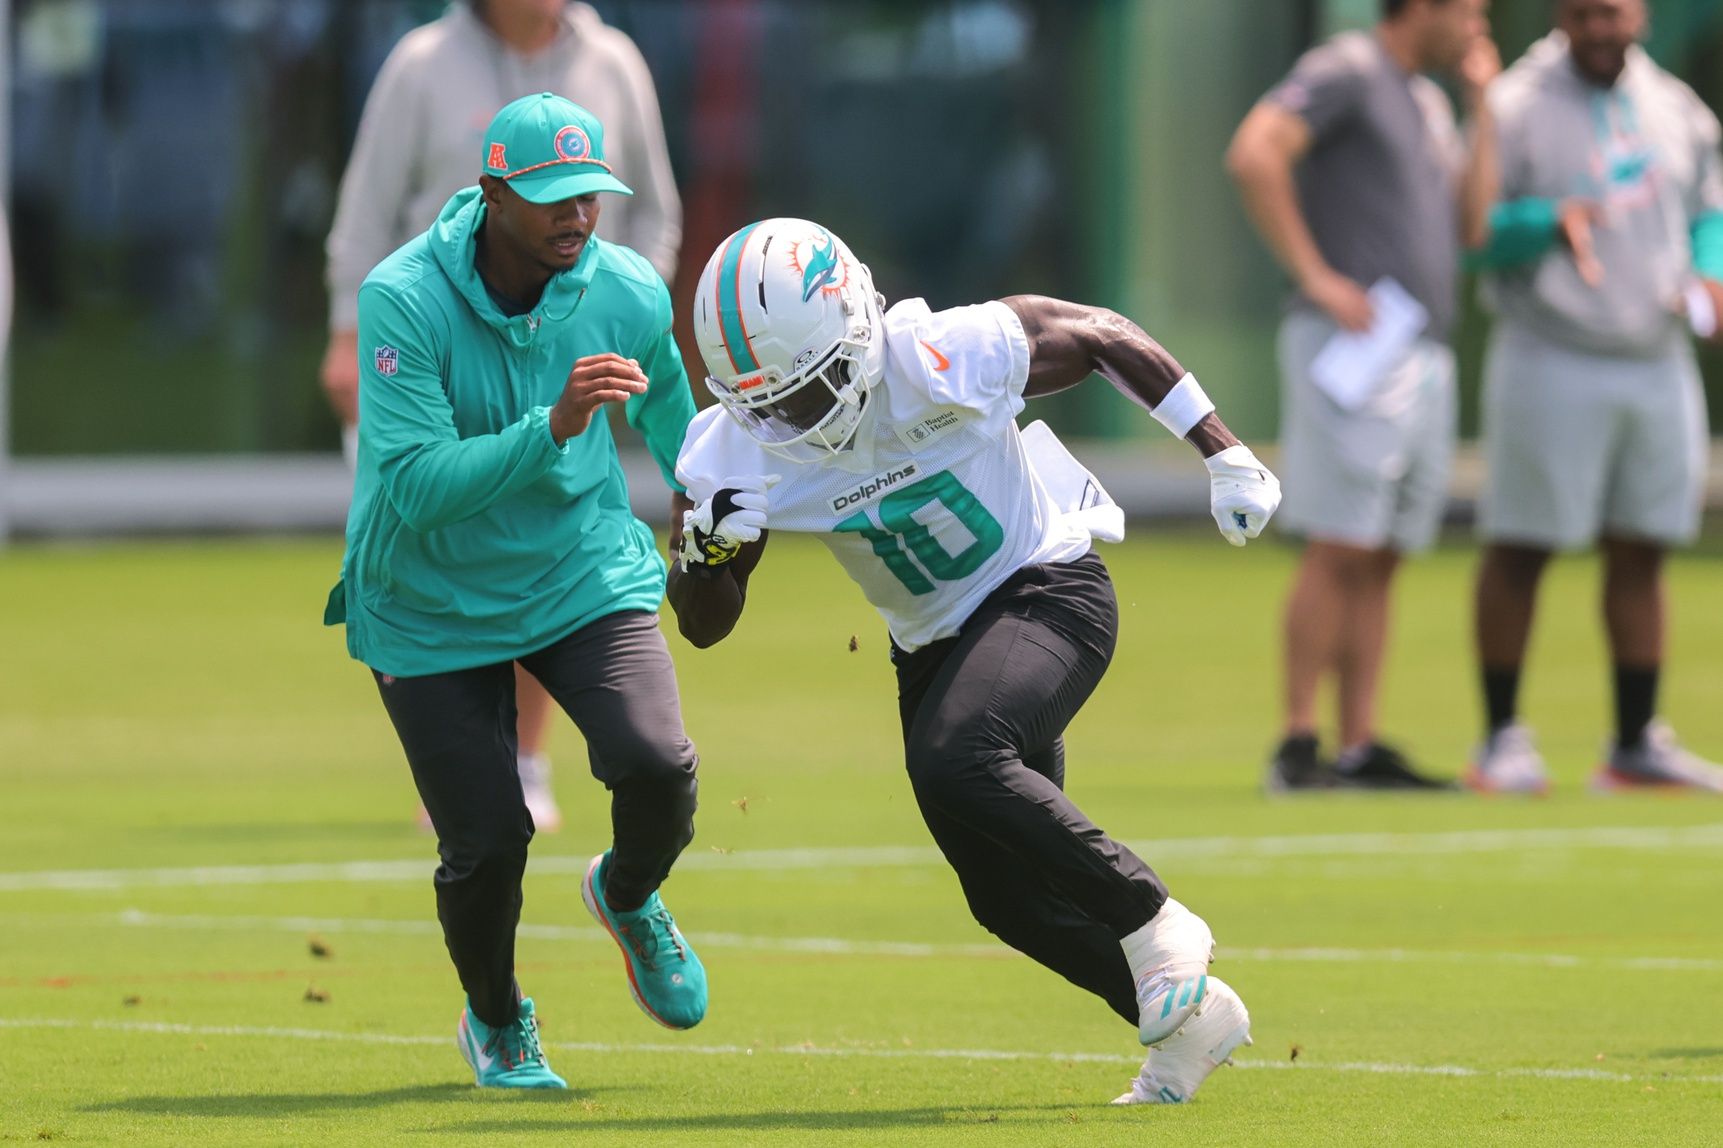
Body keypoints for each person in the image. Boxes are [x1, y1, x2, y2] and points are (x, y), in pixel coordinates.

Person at [668, 218, 1281, 1106]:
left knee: (955, 758)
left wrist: (1221, 450)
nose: (791, 419)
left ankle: (1154, 919)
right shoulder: (733, 445)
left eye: (807, 392)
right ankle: (1191, 1030)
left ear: (857, 329)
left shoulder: (937, 353)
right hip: (932, 649)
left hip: (1046, 590)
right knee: (1003, 893)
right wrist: (709, 556)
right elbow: (703, 626)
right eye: (767, 404)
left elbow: (1100, 334)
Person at [324, 94, 706, 1089]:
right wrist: (553, 427)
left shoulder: (621, 285)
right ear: (491, 193)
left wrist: (707, 506)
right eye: (547, 197)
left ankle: (626, 893)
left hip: (577, 569)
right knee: (488, 840)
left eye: (587, 193)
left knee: (657, 764)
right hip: (426, 596)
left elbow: (666, 394)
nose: (575, 215)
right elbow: (410, 484)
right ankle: (496, 1019)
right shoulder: (400, 298)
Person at [322, 0, 684, 828]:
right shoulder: (421, 61)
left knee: (552, 531)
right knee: (449, 536)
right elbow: (367, 207)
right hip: (431, 348)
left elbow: (655, 207)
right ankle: (471, 762)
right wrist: (349, 328)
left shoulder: (615, 59)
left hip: (570, 339)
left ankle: (524, 757)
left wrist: (625, 305)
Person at [1226, 0, 1496, 791]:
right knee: (1338, 540)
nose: (1477, 24)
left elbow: (1472, 226)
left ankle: (1359, 742)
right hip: (1351, 345)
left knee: (1382, 551)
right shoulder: (1348, 68)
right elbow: (1254, 153)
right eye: (1470, 10)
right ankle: (1298, 741)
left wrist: (1484, 106)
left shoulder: (1426, 96)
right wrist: (1315, 276)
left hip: (1420, 351)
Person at [1463, 0, 1723, 794]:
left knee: (1643, 544)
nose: (1600, 30)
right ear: (1559, 19)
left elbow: (1707, 211)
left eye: (1612, 14)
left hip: (1654, 354)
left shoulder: (1673, 105)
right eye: (1582, 16)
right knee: (1521, 545)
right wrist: (1545, 220)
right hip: (1550, 350)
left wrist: (1709, 270)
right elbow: (1474, 233)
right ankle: (1502, 738)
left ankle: (1635, 742)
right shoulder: (1512, 104)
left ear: (1638, 14)